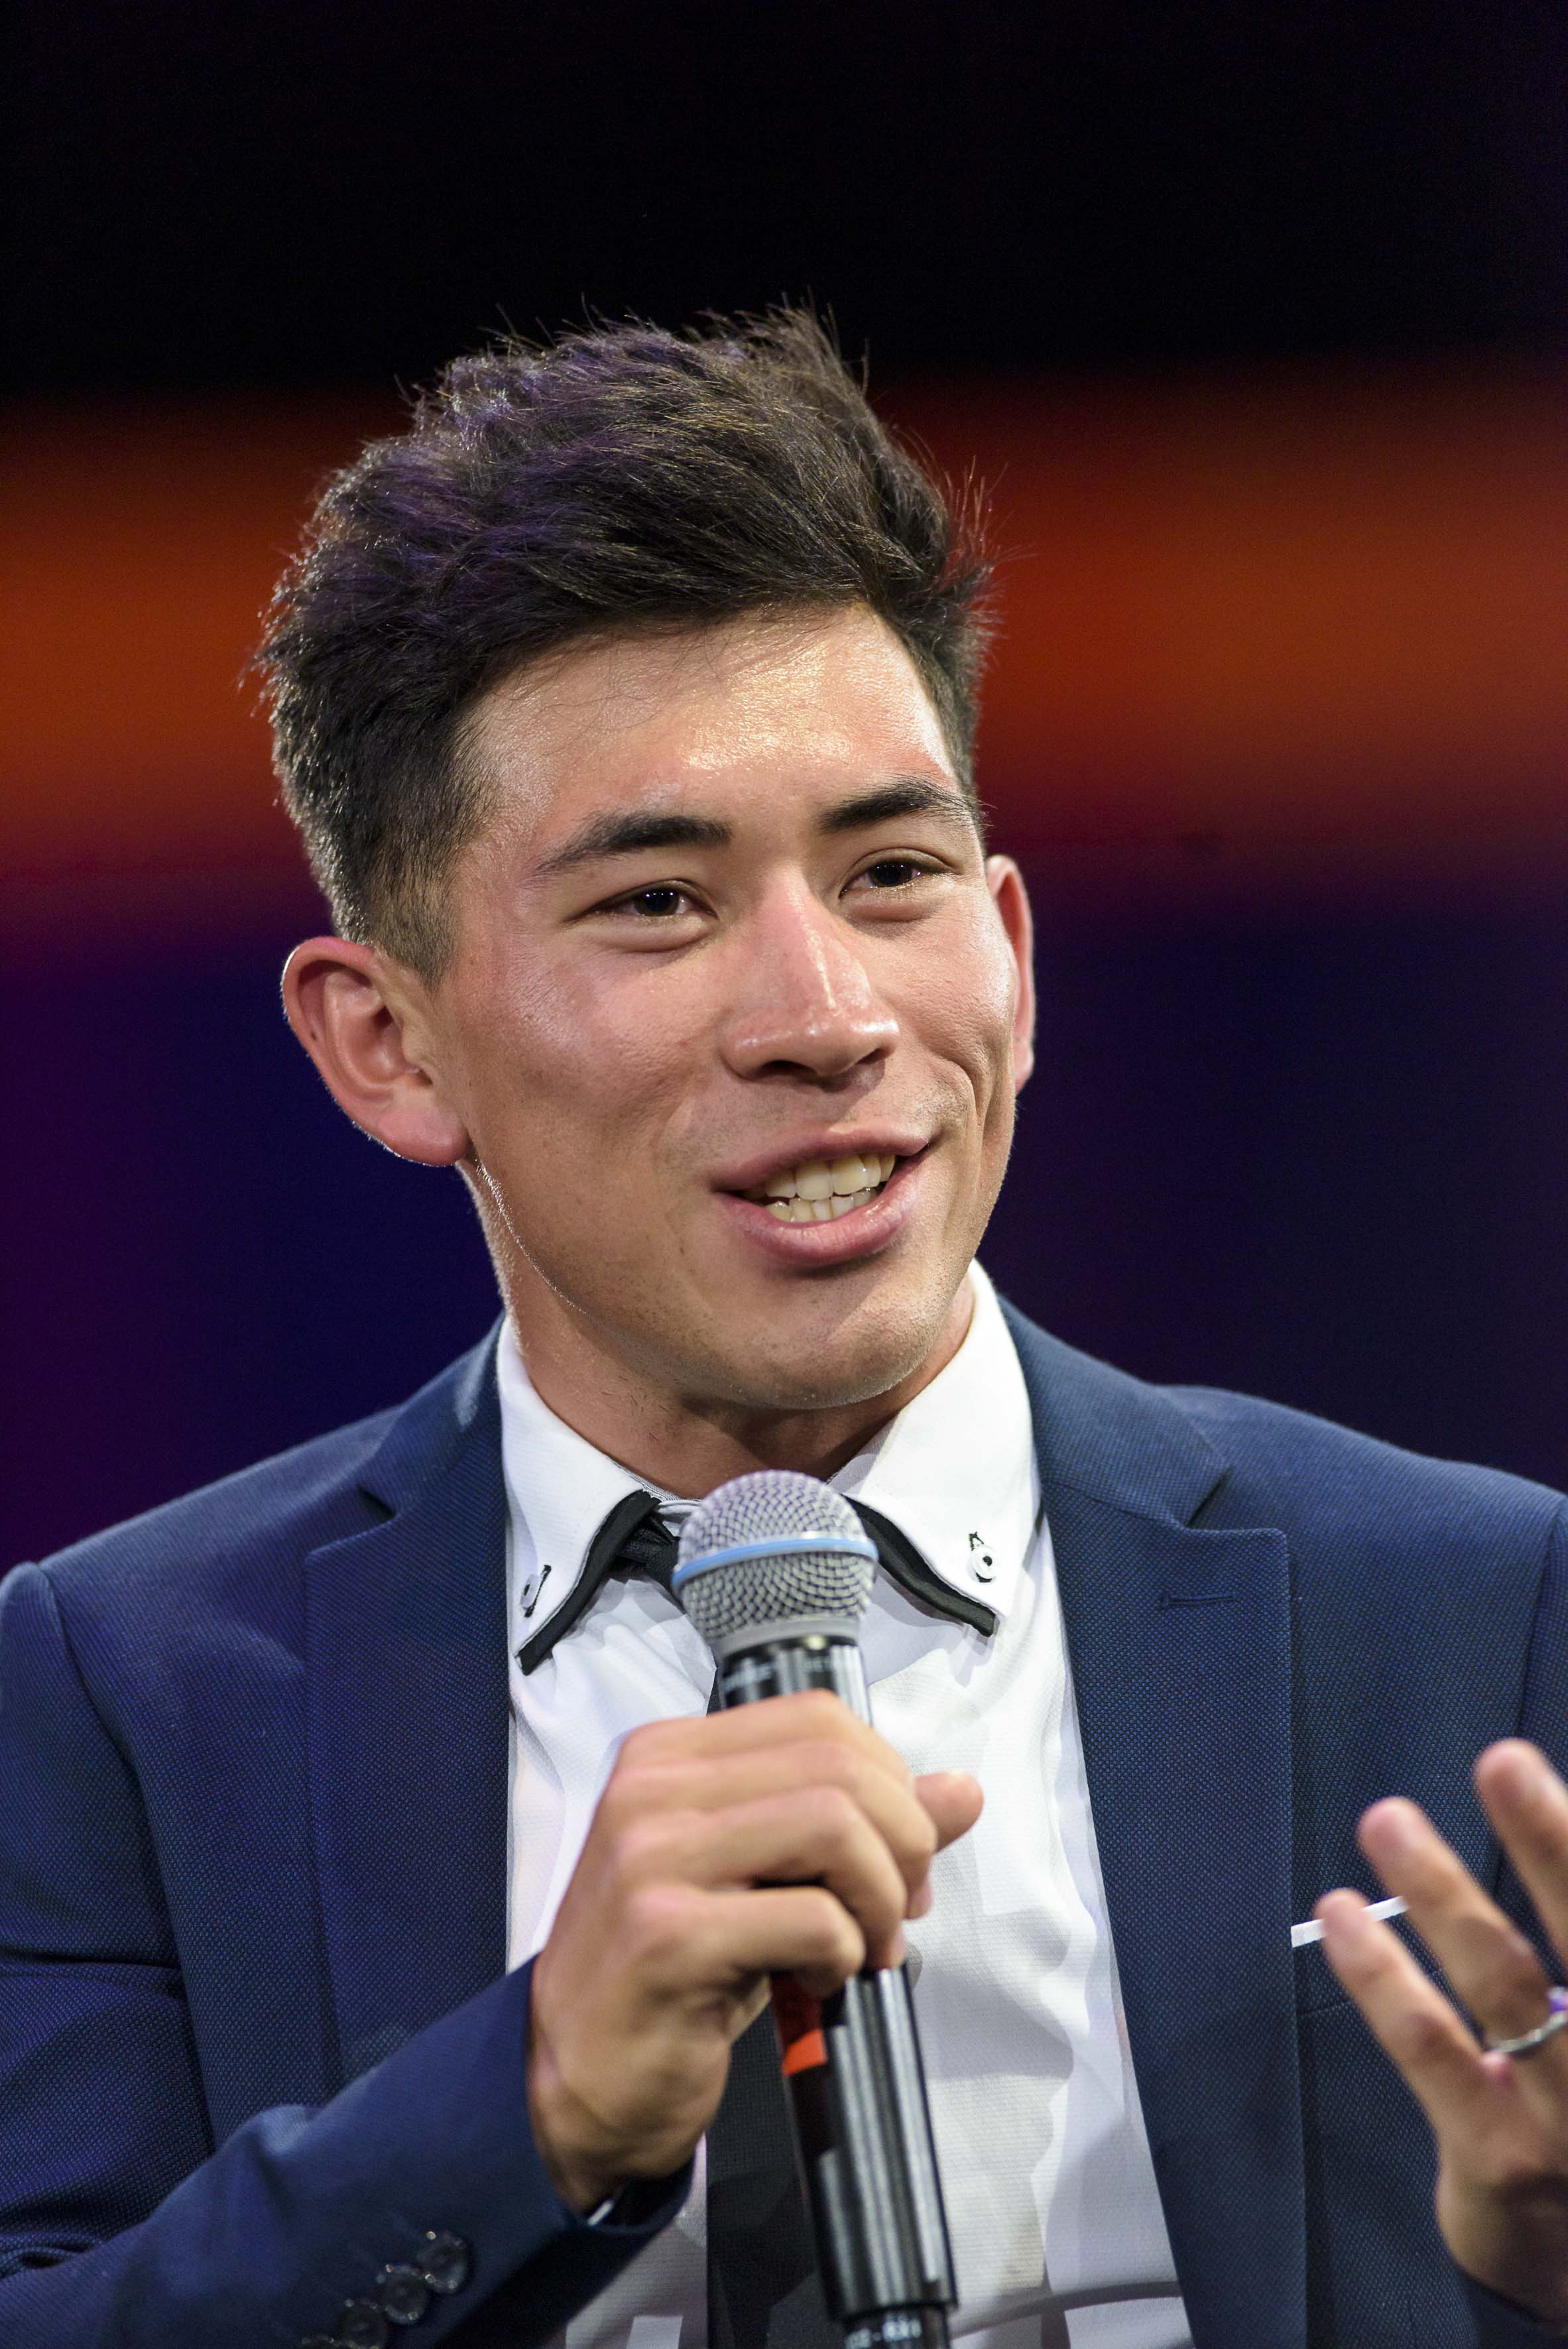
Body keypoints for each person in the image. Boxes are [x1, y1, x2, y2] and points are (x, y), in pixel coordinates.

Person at [1, 310, 1566, 2349]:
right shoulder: (120, 1692)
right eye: (659, 902)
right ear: (387, 1044)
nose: (826, 1018)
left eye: (893, 871)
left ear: (1013, 958)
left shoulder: (1477, 1612)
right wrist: (527, 2102)